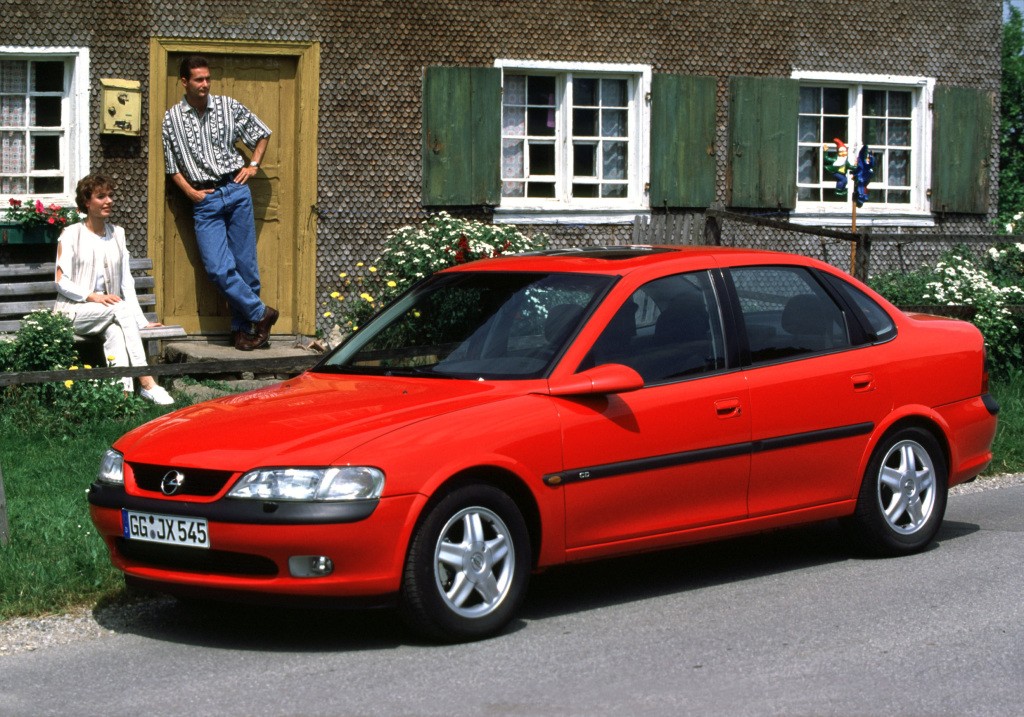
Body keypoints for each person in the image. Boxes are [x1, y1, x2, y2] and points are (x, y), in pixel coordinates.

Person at [161, 55, 278, 351]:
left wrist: (252, 165)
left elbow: (261, 133)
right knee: (217, 267)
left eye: (207, 79)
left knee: (245, 266)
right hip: (205, 200)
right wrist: (191, 193)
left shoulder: (228, 106)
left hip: (236, 192)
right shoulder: (171, 119)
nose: (204, 85)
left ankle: (244, 331)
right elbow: (172, 167)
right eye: (198, 79)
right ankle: (261, 314)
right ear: (184, 82)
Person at [54, 174, 174, 405]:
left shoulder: (117, 234)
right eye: (101, 196)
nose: (108, 200)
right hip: (73, 312)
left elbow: (126, 281)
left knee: (117, 333)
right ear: (87, 202)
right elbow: (60, 281)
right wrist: (92, 296)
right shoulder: (70, 234)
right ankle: (147, 381)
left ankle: (121, 395)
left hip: (108, 313)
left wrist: (141, 321)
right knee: (119, 308)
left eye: (110, 195)